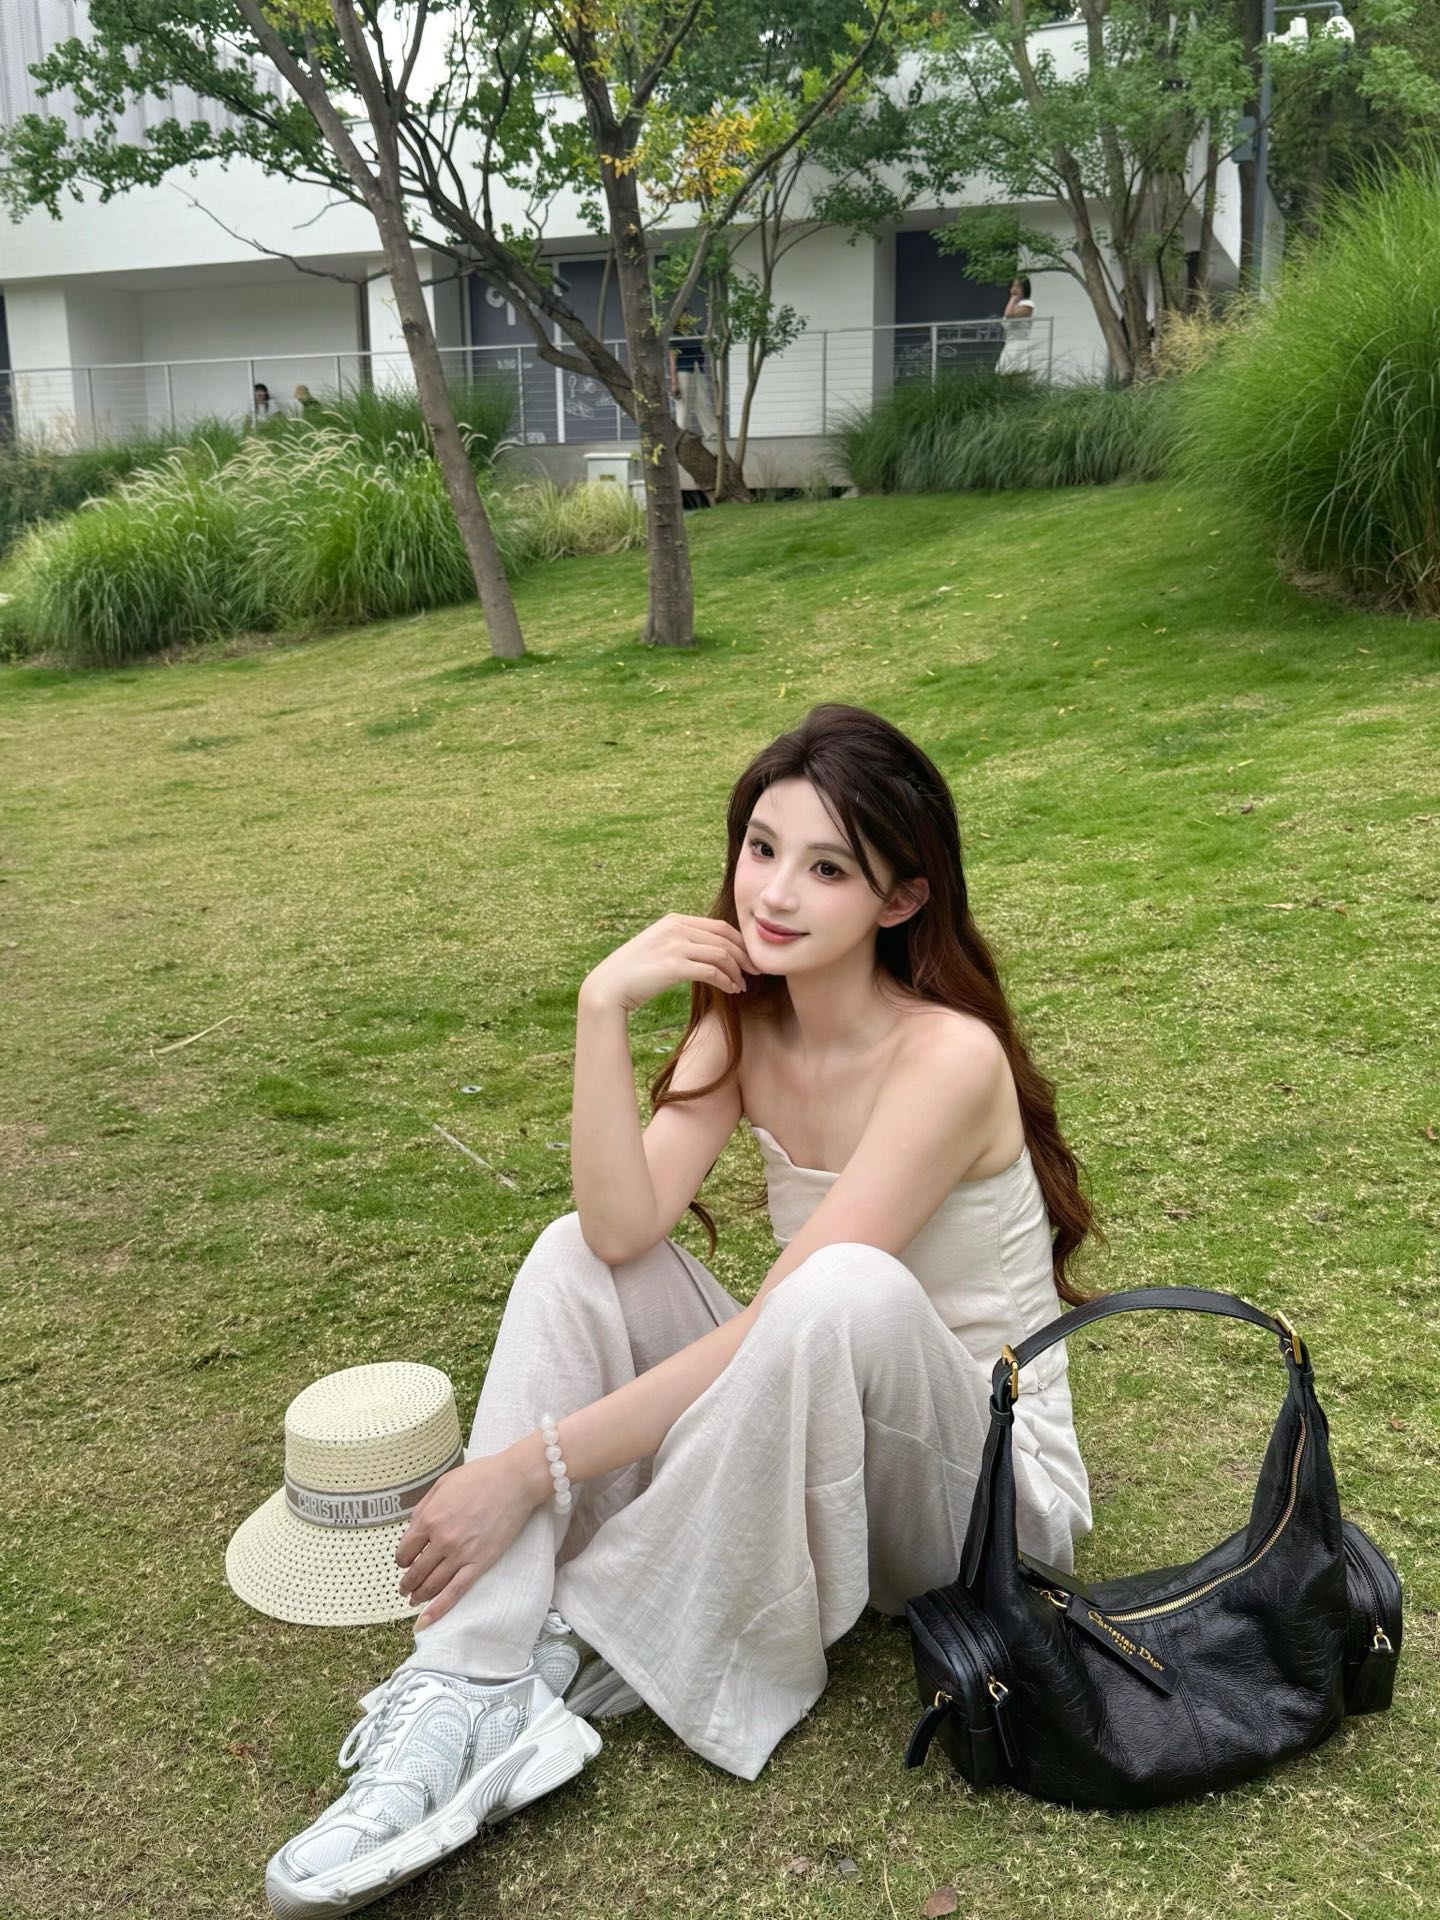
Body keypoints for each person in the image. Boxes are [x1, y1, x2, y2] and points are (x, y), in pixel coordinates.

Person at [263, 701, 1097, 1917]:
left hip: (980, 1496)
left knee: (838, 1286)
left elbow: (791, 1313)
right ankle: (473, 1681)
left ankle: (584, 1632)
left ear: (903, 899)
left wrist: (532, 1468)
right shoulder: (746, 1019)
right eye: (762, 847)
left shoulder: (947, 1060)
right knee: (569, 1255)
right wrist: (602, 1008)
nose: (775, 892)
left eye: (828, 869)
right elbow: (617, 1230)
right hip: (826, 1417)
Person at [669, 333, 717, 440]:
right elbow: (672, 359)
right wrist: (674, 382)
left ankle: (712, 432)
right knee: (683, 403)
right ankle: (682, 434)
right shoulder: (675, 334)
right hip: (683, 370)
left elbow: (709, 340)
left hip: (698, 368)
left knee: (704, 401)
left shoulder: (696, 332)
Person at [996, 276, 1038, 375]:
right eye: (1013, 286)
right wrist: (1012, 301)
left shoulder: (1027, 304)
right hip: (1009, 344)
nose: (1015, 289)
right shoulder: (1012, 305)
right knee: (1004, 375)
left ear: (1024, 289)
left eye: (1018, 286)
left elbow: (1009, 315)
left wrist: (1013, 298)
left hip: (1020, 344)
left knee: (1019, 373)